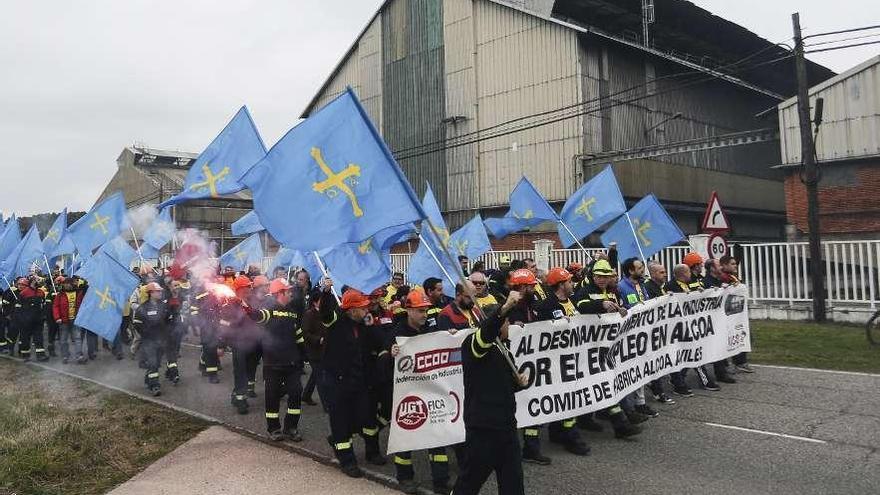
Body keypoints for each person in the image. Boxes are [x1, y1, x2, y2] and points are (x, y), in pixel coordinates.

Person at [453, 290, 528, 495]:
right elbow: (485, 334)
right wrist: (505, 308)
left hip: (506, 427)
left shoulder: (504, 350)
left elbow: (505, 385)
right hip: (483, 430)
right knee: (469, 483)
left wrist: (520, 382)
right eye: (506, 322)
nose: (508, 326)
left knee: (513, 485)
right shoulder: (472, 345)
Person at [390, 289, 459, 494]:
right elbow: (382, 362)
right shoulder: (397, 332)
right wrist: (390, 354)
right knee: (406, 438)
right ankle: (404, 477)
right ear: (409, 310)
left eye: (426, 310)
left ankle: (441, 480)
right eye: (420, 311)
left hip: (430, 391)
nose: (424, 315)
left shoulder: (430, 328)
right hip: (406, 394)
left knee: (438, 438)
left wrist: (450, 337)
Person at [574, 260, 646, 435]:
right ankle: (619, 422)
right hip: (590, 345)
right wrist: (601, 305)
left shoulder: (613, 292)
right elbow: (581, 306)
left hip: (608, 345)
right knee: (600, 383)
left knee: (607, 382)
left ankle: (620, 419)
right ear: (593, 276)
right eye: (599, 276)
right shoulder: (585, 291)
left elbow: (619, 308)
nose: (602, 280)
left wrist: (621, 310)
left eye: (605, 277)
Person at [533, 267, 591, 459]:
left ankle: (557, 432)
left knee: (569, 397)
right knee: (567, 399)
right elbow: (539, 332)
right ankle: (571, 438)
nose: (572, 284)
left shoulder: (572, 301)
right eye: (569, 281)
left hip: (574, 357)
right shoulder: (546, 306)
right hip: (556, 362)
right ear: (560, 284)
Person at [318, 285, 371, 478]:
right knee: (340, 421)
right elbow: (325, 313)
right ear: (352, 309)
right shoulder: (336, 321)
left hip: (356, 380)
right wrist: (325, 293)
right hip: (336, 381)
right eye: (363, 307)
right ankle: (347, 460)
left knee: (361, 417)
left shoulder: (361, 325)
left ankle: (338, 439)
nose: (366, 310)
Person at [249, 278, 306, 441]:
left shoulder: (293, 311)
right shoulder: (269, 308)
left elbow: (298, 334)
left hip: (292, 362)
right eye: (288, 291)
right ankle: (274, 428)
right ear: (280, 293)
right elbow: (259, 316)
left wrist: (305, 354)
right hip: (273, 363)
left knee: (296, 394)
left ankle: (291, 427)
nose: (291, 293)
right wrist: (246, 308)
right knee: (272, 396)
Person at [664, 264, 714, 393]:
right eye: (688, 272)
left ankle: (679, 378)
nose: (690, 274)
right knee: (691, 352)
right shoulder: (671, 286)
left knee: (690, 353)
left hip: (692, 324)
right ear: (683, 274)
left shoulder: (690, 283)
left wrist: (701, 292)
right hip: (679, 326)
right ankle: (704, 381)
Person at [131, 282, 173, 396]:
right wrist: (146, 335)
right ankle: (155, 386)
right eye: (158, 291)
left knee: (157, 363)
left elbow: (169, 320)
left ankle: (148, 379)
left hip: (162, 339)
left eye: (160, 291)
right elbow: (136, 323)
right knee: (153, 363)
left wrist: (167, 333)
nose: (160, 293)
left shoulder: (164, 306)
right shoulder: (143, 307)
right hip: (149, 341)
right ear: (151, 293)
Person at [701, 259, 737, 385]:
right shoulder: (706, 282)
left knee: (720, 344)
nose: (721, 267)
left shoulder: (720, 280)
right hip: (710, 320)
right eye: (718, 265)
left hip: (720, 318)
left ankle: (721, 371)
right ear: (711, 268)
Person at [719, 255, 754, 373]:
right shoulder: (723, 278)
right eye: (732, 264)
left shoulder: (732, 276)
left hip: (737, 312)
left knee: (742, 335)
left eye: (735, 263)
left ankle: (740, 361)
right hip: (728, 313)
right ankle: (726, 363)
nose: (735, 266)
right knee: (727, 338)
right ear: (724, 265)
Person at [10, 277, 47, 362]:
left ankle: (40, 355)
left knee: (39, 338)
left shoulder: (41, 292)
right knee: (25, 339)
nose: (38, 282)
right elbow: (18, 308)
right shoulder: (24, 293)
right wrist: (22, 319)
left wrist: (43, 316)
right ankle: (25, 355)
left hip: (38, 321)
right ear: (31, 282)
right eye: (36, 280)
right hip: (25, 321)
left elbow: (43, 305)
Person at [52, 277, 84, 364]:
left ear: (71, 284)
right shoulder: (60, 295)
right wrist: (57, 317)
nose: (66, 286)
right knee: (63, 339)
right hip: (63, 320)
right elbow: (55, 306)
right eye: (64, 284)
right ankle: (65, 356)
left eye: (67, 284)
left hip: (75, 319)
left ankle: (79, 356)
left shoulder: (78, 293)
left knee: (77, 338)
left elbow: (82, 305)